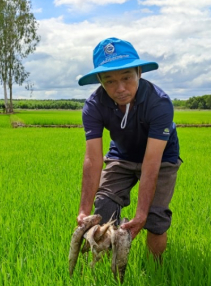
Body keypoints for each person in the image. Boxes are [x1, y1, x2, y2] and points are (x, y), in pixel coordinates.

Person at [76, 37, 181, 260]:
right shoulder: (94, 106)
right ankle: (104, 264)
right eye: (110, 81)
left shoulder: (158, 103)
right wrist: (83, 211)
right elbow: (93, 160)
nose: (120, 88)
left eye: (126, 78)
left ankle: (157, 268)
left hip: (161, 158)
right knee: (103, 205)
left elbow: (151, 163)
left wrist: (141, 213)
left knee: (155, 217)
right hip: (121, 154)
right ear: (100, 80)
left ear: (139, 73)